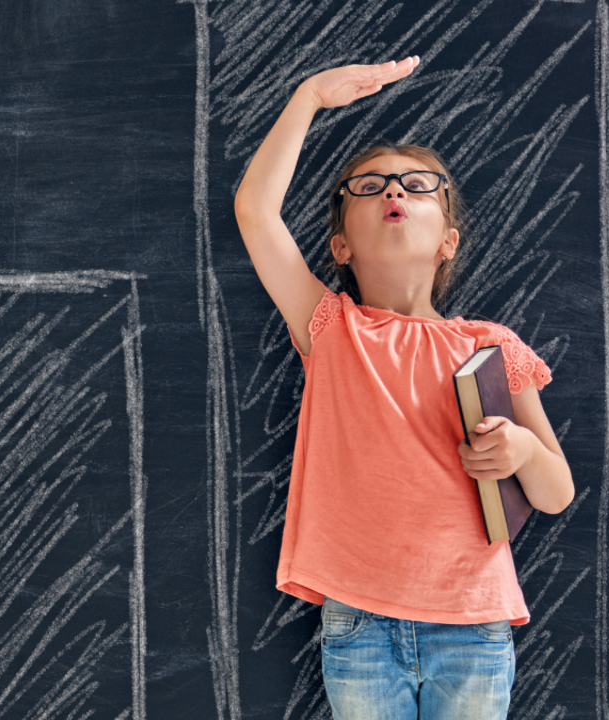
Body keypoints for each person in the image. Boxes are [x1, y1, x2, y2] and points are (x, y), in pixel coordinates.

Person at [232, 58, 575, 720]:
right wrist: (307, 97)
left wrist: (522, 453)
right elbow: (255, 210)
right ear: (339, 245)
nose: (394, 190)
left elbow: (555, 492)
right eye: (367, 186)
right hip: (360, 626)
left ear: (447, 242)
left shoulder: (490, 345)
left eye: (418, 185)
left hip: (473, 624)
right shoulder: (331, 328)